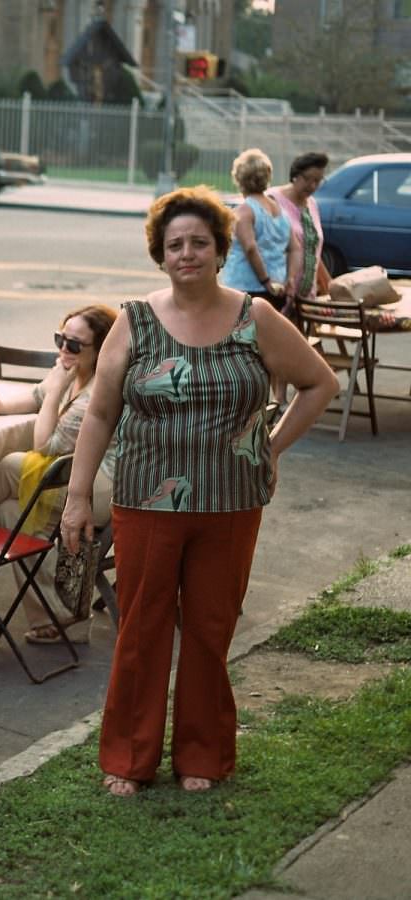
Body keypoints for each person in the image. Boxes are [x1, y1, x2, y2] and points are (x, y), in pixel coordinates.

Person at [59, 186, 337, 798]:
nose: (187, 253)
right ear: (160, 254)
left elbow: (320, 383)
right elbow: (101, 413)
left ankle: (202, 757)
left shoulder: (255, 317)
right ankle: (129, 760)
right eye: (175, 244)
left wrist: (267, 445)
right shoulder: (133, 321)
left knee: (211, 631)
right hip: (144, 500)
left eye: (200, 243)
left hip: (232, 504)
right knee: (141, 628)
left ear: (219, 251)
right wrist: (78, 497)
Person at [0, 305, 118, 646]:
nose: (64, 349)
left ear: (100, 349)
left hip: (98, 487)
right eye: (60, 339)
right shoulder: (68, 369)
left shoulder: (92, 393)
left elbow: (45, 444)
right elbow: (36, 396)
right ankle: (62, 619)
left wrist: (57, 389)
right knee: (9, 514)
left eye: (75, 345)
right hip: (67, 477)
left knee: (9, 465)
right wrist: (2, 406)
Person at [221, 148, 295, 310]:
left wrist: (265, 280)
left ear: (239, 178)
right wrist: (290, 279)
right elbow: (294, 248)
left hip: (247, 287)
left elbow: (250, 248)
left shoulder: (245, 211)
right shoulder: (279, 210)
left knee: (243, 334)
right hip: (278, 287)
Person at [271, 151, 330, 311]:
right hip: (279, 291)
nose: (312, 186)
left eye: (317, 181)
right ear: (295, 174)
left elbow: (312, 249)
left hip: (305, 296)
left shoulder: (312, 204)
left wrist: (328, 284)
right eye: (307, 179)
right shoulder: (273, 200)